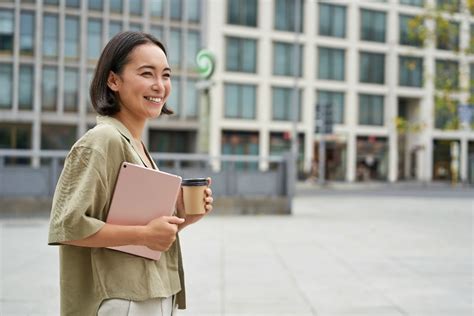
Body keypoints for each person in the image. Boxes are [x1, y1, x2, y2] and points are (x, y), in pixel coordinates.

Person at [48, 31, 213, 316]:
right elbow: (68, 225)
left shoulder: (134, 144)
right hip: (121, 300)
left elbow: (138, 235)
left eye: (166, 75)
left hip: (151, 293)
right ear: (113, 80)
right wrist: (145, 234)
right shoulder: (102, 140)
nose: (159, 86)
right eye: (147, 74)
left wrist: (181, 220)